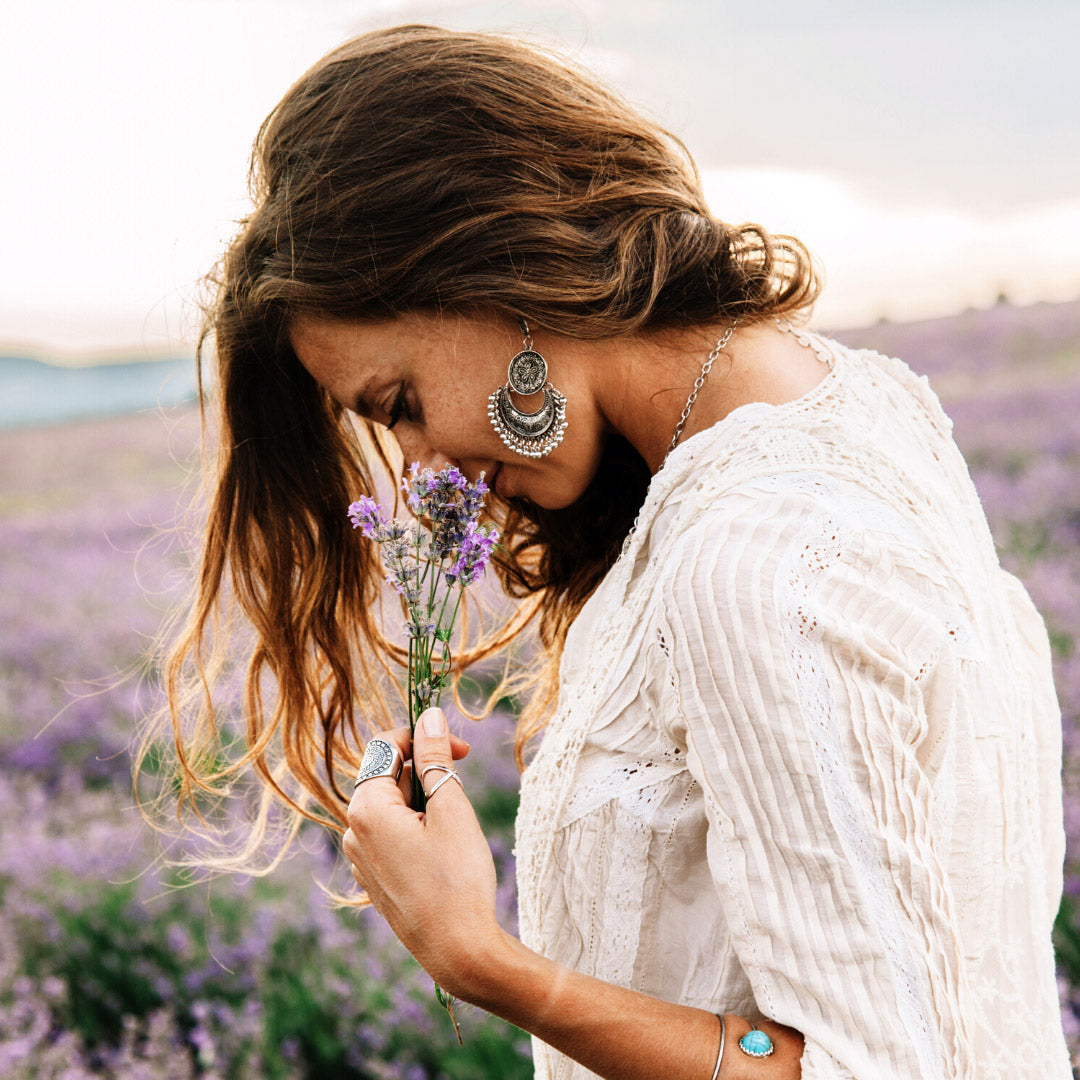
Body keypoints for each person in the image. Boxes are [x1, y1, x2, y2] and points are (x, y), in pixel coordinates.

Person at [153, 24, 1072, 1080]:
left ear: (494, 269)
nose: (419, 466)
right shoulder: (861, 403)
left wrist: (482, 958)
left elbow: (858, 1068)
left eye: (399, 403)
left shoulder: (749, 560)